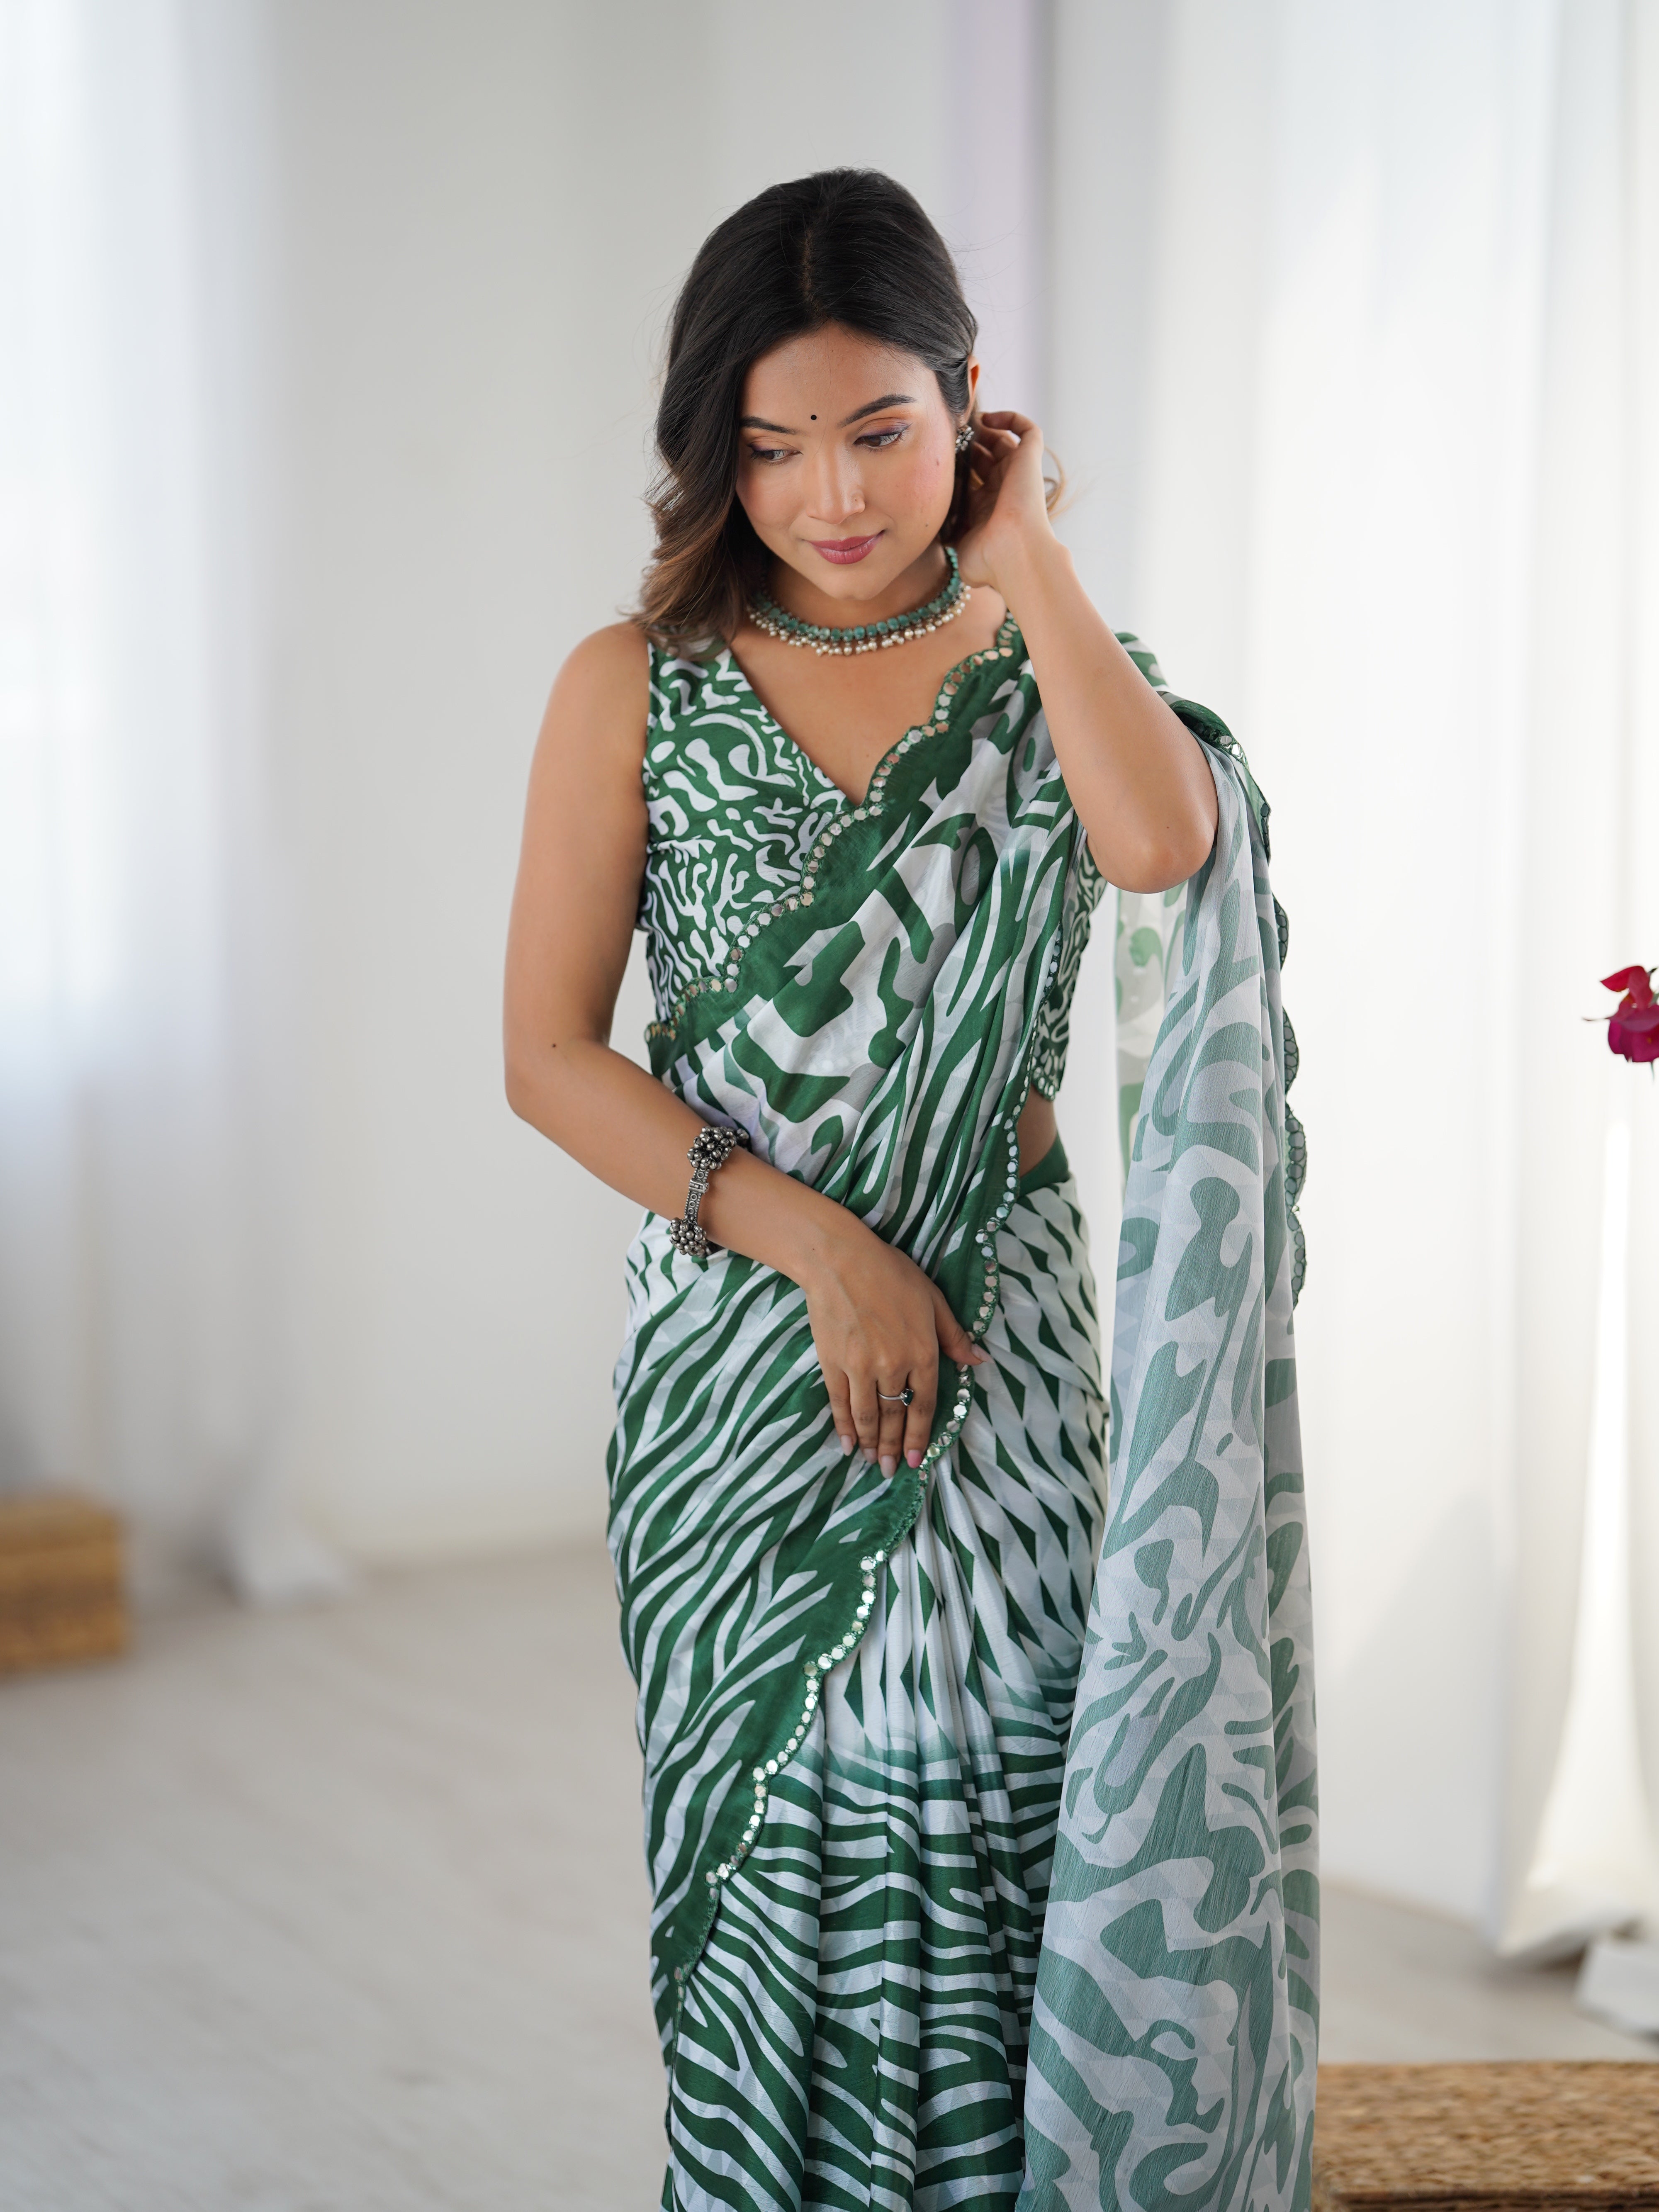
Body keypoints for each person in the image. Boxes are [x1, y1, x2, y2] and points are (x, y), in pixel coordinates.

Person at [505, 170, 1317, 2212]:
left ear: (969, 402)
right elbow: (547, 1056)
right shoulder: (635, 680)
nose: (832, 494)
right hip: (744, 1357)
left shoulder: (1044, 660)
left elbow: (1162, 844)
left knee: (1011, 1815)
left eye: (879, 429)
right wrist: (819, 1246)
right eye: (771, 446)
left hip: (1004, 1347)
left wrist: (1029, 560)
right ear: (713, 451)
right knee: (788, 1852)